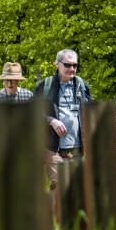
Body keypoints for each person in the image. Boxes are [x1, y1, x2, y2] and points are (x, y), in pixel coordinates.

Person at [35, 49, 92, 189]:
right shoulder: (45, 86)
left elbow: (91, 112)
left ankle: (58, 210)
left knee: (76, 188)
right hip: (52, 148)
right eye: (67, 65)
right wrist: (51, 121)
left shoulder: (82, 86)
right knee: (61, 185)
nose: (72, 69)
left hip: (78, 148)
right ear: (57, 64)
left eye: (75, 65)